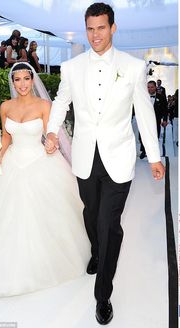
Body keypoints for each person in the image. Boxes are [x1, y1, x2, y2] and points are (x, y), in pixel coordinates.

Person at [45, 2, 165, 325]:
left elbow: (144, 112)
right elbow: (60, 102)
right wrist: (51, 132)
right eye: (90, 28)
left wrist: (154, 156)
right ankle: (97, 251)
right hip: (85, 157)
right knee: (91, 214)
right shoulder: (70, 68)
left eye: (101, 27)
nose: (95, 34)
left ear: (113, 28)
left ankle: (103, 296)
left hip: (119, 157)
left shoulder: (133, 67)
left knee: (108, 223)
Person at [0, 62, 90, 297]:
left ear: (32, 80)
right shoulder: (5, 106)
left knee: (47, 215)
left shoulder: (43, 105)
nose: (22, 84)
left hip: (41, 163)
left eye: (26, 79)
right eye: (17, 79)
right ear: (12, 82)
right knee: (5, 217)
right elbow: (7, 136)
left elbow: (51, 134)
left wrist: (52, 144)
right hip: (12, 162)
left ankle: (47, 263)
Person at [139, 80, 168, 159]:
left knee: (155, 137)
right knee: (141, 136)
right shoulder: (143, 96)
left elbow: (165, 109)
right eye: (148, 87)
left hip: (156, 120)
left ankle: (152, 152)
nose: (150, 89)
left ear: (155, 87)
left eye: (152, 87)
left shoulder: (161, 97)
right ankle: (144, 150)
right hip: (144, 120)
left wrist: (165, 120)